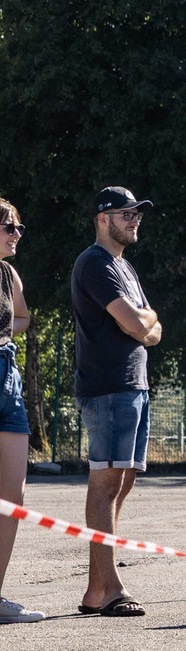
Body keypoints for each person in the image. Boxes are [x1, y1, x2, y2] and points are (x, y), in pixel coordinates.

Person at [71, 186, 161, 618]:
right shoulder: (94, 263)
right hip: (107, 387)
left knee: (123, 483)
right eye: (126, 214)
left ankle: (94, 589)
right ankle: (112, 591)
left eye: (137, 214)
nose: (134, 220)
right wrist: (142, 324)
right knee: (105, 484)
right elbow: (135, 321)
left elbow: (152, 325)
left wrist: (143, 324)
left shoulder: (125, 268)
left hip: (134, 385)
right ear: (103, 219)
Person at [0, 197, 43, 622]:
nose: (16, 234)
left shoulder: (9, 273)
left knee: (12, 495)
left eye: (18, 228)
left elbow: (24, 318)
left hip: (6, 374)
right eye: (8, 227)